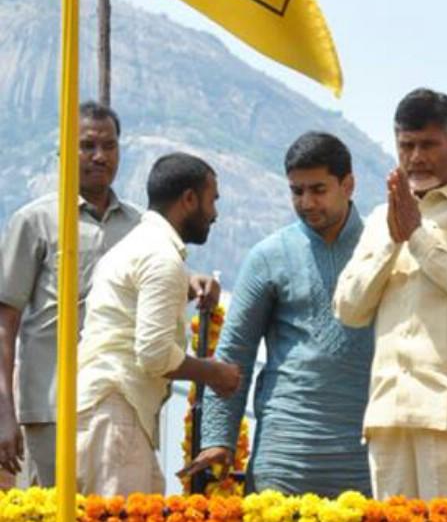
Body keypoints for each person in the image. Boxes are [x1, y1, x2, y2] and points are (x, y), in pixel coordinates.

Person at [334, 89, 447, 505]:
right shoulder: (384, 219)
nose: (416, 157)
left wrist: (418, 239)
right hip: (388, 414)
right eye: (406, 145)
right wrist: (394, 241)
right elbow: (348, 308)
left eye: (428, 144)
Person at [185, 131, 374, 496]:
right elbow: (235, 351)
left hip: (364, 454)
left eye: (318, 189)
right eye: (296, 191)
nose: (306, 202)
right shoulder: (268, 255)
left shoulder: (380, 249)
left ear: (348, 184)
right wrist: (217, 438)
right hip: (285, 452)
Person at [75, 152, 237, 497]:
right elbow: (154, 355)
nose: (215, 214)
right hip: (116, 412)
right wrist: (215, 373)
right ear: (189, 199)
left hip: (106, 411)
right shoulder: (161, 258)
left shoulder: (138, 246)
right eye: (212, 201)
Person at [0, 102, 145, 486]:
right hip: (52, 410)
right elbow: (5, 322)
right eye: (87, 146)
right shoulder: (35, 221)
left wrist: (195, 281)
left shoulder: (140, 226)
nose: (100, 156)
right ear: (64, 150)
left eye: (109, 146)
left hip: (119, 409)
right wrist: (3, 411)